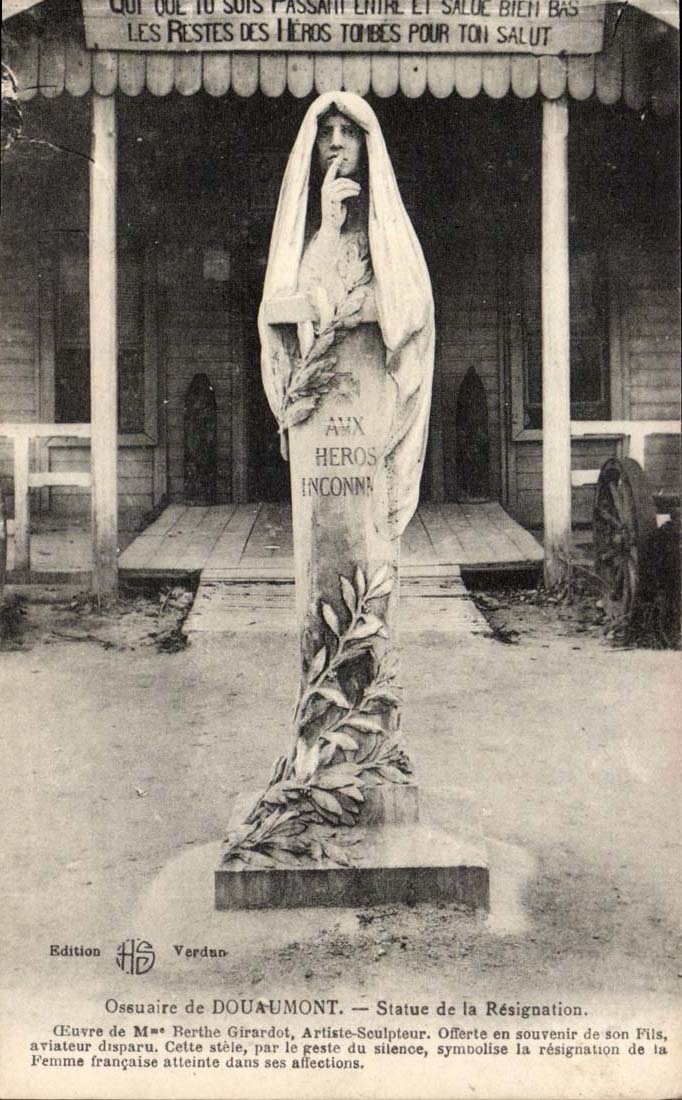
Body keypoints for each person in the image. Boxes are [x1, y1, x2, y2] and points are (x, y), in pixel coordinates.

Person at [258, 91, 435, 541]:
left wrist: (367, 306)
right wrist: (329, 226)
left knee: (368, 528)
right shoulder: (307, 228)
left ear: (366, 142)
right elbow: (288, 301)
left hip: (372, 391)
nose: (336, 143)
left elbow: (413, 303)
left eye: (348, 132)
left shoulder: (386, 223)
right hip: (320, 401)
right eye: (326, 133)